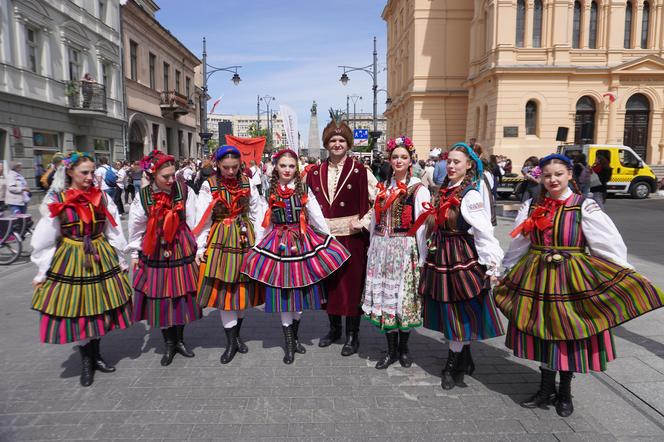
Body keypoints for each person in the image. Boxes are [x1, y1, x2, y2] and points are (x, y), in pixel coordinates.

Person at [494, 153, 664, 417]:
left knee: (569, 332)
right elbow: (520, 243)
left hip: (570, 279)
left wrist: (629, 273)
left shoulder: (584, 206)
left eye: (558, 174)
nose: (552, 180)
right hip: (538, 276)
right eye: (548, 175)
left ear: (570, 175)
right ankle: (545, 387)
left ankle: (565, 392)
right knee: (543, 330)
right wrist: (504, 270)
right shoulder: (531, 205)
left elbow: (608, 244)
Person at [30, 151, 132, 387]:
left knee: (99, 309)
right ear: (70, 172)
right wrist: (41, 272)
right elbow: (45, 239)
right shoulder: (59, 200)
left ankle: (96, 354)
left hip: (100, 255)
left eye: (91, 172)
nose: (89, 177)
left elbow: (112, 230)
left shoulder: (101, 198)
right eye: (84, 172)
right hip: (72, 257)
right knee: (81, 312)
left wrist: (121, 258)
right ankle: (87, 360)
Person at [242, 149, 350, 364]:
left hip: (301, 242)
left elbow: (316, 215)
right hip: (279, 243)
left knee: (300, 294)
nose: (288, 170)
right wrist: (256, 246)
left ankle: (296, 336)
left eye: (291, 166)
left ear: (296, 168)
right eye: (283, 166)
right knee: (284, 293)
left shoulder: (304, 189)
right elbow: (264, 222)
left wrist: (329, 239)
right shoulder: (268, 191)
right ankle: (290, 343)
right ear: (276, 167)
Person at [419, 143, 504, 390]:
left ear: (469, 165)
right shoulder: (444, 189)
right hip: (441, 255)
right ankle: (464, 358)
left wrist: (492, 266)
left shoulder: (471, 194)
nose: (452, 166)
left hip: (460, 257)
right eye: (449, 161)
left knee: (458, 311)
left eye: (457, 162)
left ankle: (452, 365)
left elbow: (484, 231)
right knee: (451, 311)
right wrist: (424, 255)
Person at [306, 116, 377, 356]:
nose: (337, 144)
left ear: (348, 144)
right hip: (325, 239)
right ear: (326, 144)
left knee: (352, 286)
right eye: (333, 140)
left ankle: (352, 335)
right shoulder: (315, 172)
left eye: (342, 140)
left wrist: (365, 221)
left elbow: (380, 200)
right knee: (331, 286)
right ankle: (334, 329)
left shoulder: (360, 170)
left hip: (352, 237)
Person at [362, 136, 430, 369]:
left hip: (404, 249)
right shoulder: (384, 187)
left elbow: (421, 227)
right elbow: (374, 220)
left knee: (403, 301)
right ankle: (391, 350)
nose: (399, 161)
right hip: (382, 249)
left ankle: (404, 349)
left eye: (403, 157)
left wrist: (422, 258)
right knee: (386, 300)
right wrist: (372, 247)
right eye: (395, 157)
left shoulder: (418, 189)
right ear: (389, 160)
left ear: (411, 160)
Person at [127, 150, 201, 366]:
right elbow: (136, 227)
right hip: (156, 248)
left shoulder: (184, 190)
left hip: (180, 245)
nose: (171, 180)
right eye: (165, 176)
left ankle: (180, 339)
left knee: (181, 294)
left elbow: (193, 220)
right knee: (161, 296)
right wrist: (134, 253)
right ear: (152, 175)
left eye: (172, 175)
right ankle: (169, 343)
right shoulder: (143, 197)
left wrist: (197, 249)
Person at [194, 145, 264, 365]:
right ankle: (231, 342)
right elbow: (202, 219)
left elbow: (257, 211)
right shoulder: (209, 185)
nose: (231, 172)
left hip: (244, 237)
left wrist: (259, 242)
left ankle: (237, 336)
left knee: (243, 290)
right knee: (226, 291)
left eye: (235, 167)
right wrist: (200, 247)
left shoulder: (248, 182)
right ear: (217, 165)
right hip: (221, 238)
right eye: (226, 168)